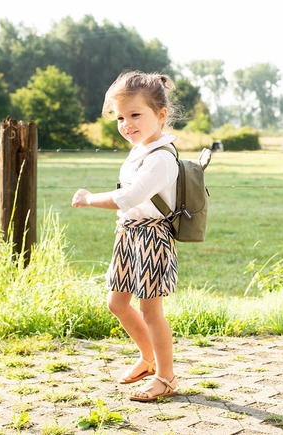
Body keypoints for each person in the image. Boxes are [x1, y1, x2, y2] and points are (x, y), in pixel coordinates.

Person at [71, 70, 180, 402]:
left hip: (151, 238)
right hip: (129, 235)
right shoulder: (140, 151)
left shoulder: (161, 158)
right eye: (120, 117)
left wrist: (88, 198)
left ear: (160, 115)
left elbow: (129, 197)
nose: (126, 123)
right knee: (117, 303)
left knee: (151, 311)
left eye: (135, 114)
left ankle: (166, 377)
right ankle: (148, 359)